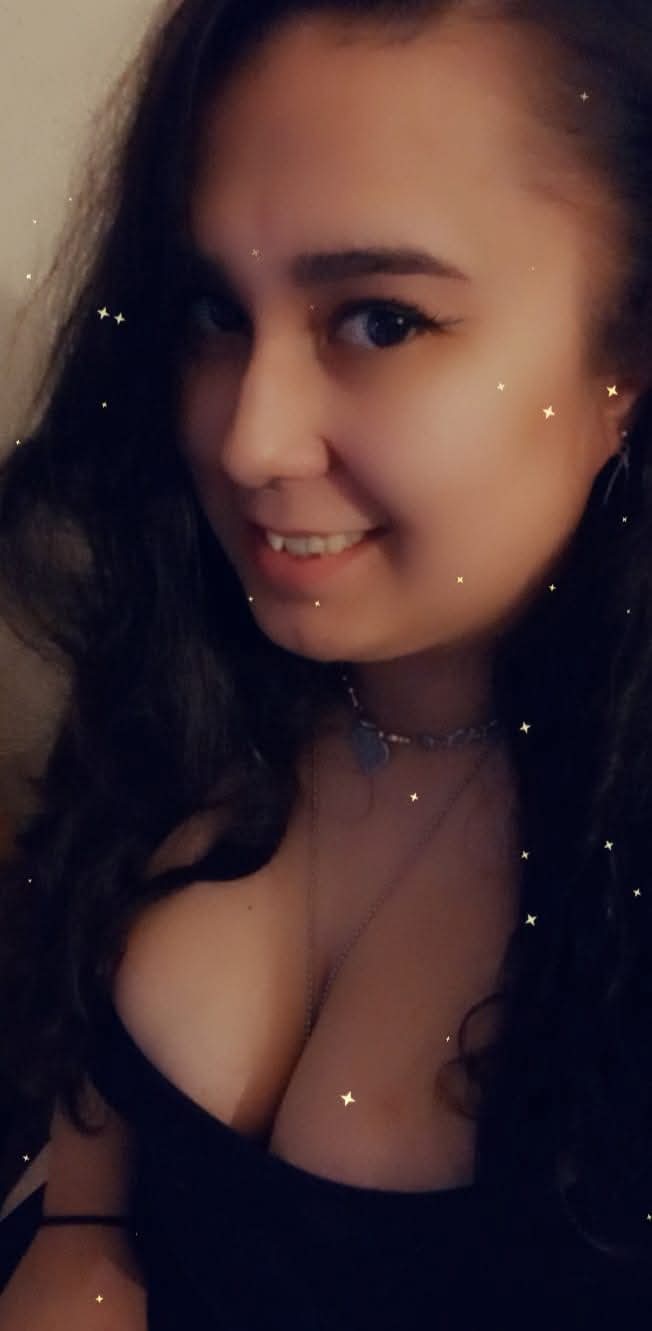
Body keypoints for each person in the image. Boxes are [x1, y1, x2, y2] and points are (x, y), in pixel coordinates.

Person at [0, 0, 651, 1325]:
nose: (248, 440)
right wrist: (81, 1227)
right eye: (211, 311)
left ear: (624, 362)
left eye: (382, 322)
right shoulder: (193, 653)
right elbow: (83, 941)